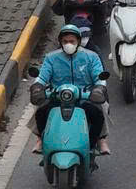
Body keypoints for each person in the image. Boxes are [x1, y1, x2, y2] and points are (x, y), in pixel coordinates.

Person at [32, 25, 107, 156]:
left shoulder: (91, 57)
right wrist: (37, 87)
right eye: (65, 41)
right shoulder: (51, 58)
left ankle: (98, 141)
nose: (68, 44)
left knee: (100, 110)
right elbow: (42, 77)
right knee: (40, 110)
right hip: (57, 96)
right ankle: (40, 139)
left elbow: (99, 76)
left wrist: (99, 89)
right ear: (60, 42)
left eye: (71, 41)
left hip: (85, 96)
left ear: (78, 41)